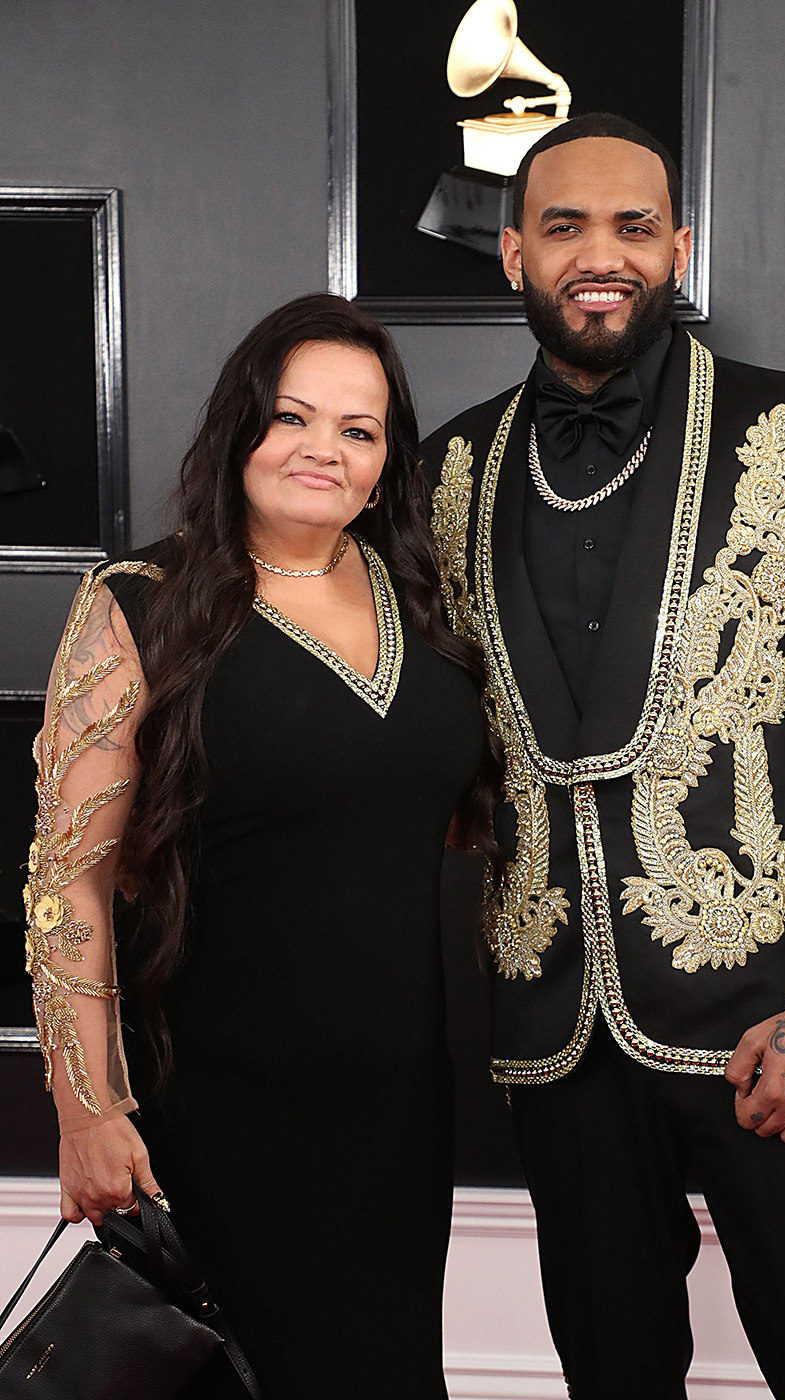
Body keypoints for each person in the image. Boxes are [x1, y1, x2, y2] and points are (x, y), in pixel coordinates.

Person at [421, 113, 785, 1399]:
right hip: (556, 1029)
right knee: (611, 1375)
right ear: (514, 254)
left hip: (778, 1017)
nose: (602, 253)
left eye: (635, 226)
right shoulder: (446, 471)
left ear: (678, 248)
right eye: (566, 226)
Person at [24, 293, 493, 1398]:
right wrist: (88, 1108)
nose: (322, 449)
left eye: (359, 429)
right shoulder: (139, 603)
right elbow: (68, 883)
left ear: (386, 464)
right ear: (241, 429)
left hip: (395, 1110)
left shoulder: (424, 603)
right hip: (222, 1105)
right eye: (292, 417)